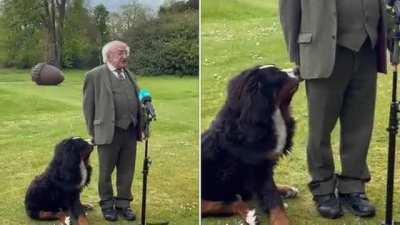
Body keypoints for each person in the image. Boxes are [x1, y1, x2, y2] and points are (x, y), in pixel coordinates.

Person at [279, 0, 387, 219]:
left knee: (360, 125)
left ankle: (353, 186)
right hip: (322, 52)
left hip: (367, 49)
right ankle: (323, 188)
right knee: (321, 128)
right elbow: (289, 8)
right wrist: (300, 55)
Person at [83, 40, 144, 221]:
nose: (125, 56)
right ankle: (108, 205)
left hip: (130, 132)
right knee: (106, 172)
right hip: (108, 132)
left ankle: (123, 204)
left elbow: (138, 102)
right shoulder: (94, 75)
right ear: (108, 56)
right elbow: (88, 107)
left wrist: (142, 126)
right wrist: (94, 133)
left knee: (127, 170)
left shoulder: (129, 74)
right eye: (120, 53)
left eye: (126, 53)